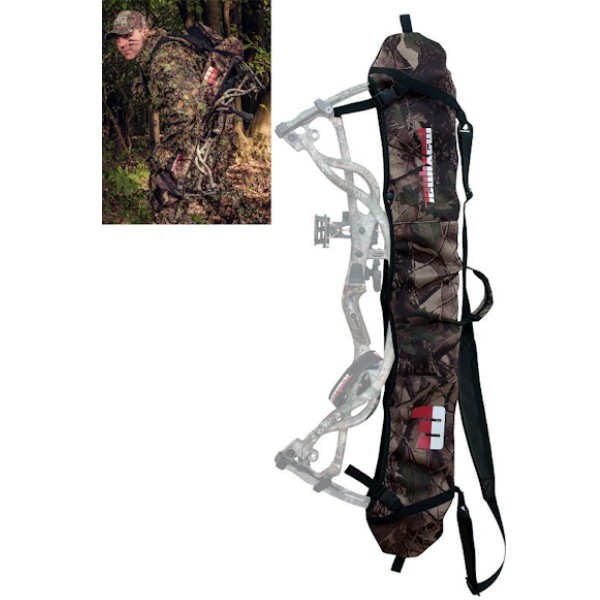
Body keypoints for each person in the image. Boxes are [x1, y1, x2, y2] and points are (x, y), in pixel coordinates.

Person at [106, 10, 212, 223]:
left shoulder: (164, 58)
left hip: (204, 135)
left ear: (145, 31)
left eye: (128, 36)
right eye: (118, 38)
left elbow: (187, 111)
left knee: (165, 198)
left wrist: (166, 155)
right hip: (202, 133)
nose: (123, 44)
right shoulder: (153, 55)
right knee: (206, 197)